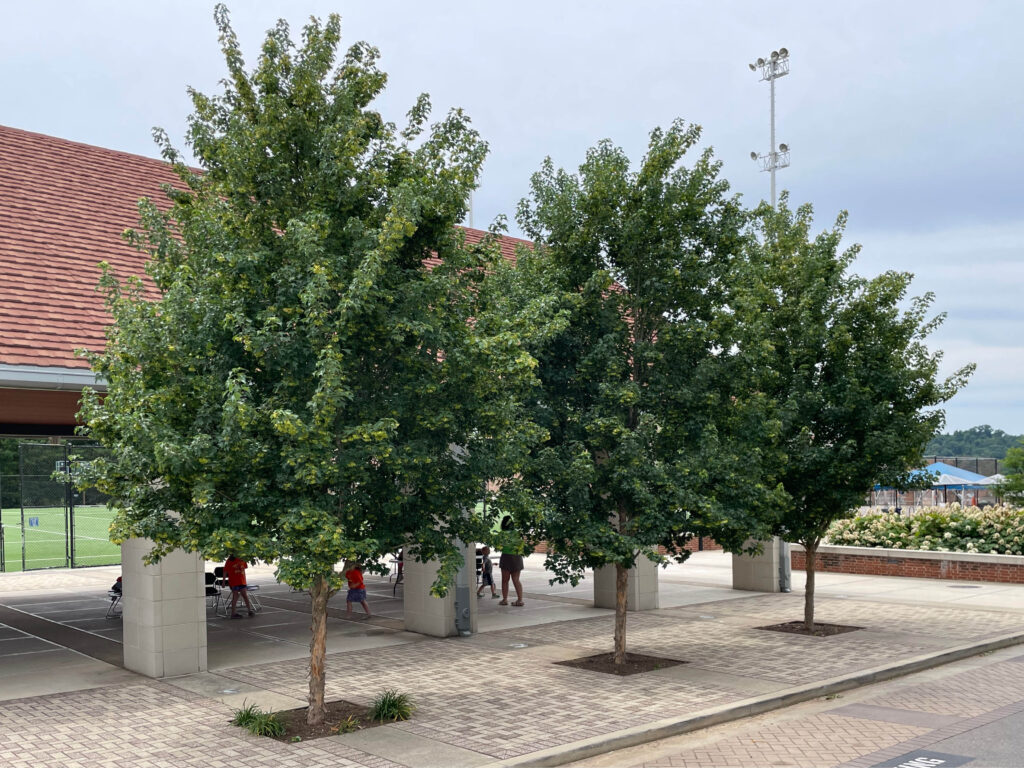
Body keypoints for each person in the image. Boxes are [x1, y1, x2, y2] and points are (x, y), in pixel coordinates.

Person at [497, 517, 525, 606]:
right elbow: (522, 544)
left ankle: (505, 599)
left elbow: (499, 546)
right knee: (516, 580)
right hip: (517, 557)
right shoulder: (517, 533)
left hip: (506, 557)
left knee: (505, 580)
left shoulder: (502, 534)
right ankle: (520, 600)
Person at [225, 554, 255, 618]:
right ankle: (233, 613)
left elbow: (244, 567)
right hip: (234, 581)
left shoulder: (243, 559)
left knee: (245, 596)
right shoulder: (230, 560)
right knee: (235, 597)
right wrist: (223, 581)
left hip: (242, 581)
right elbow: (225, 570)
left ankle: (249, 610)